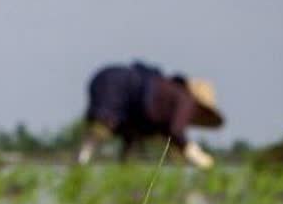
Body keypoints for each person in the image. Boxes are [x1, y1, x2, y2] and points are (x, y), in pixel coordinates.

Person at [77, 61, 224, 169]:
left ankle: (116, 171)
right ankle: (81, 165)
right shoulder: (185, 100)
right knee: (102, 128)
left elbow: (136, 133)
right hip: (114, 86)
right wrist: (202, 160)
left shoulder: (168, 95)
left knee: (122, 136)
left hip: (117, 89)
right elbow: (176, 131)